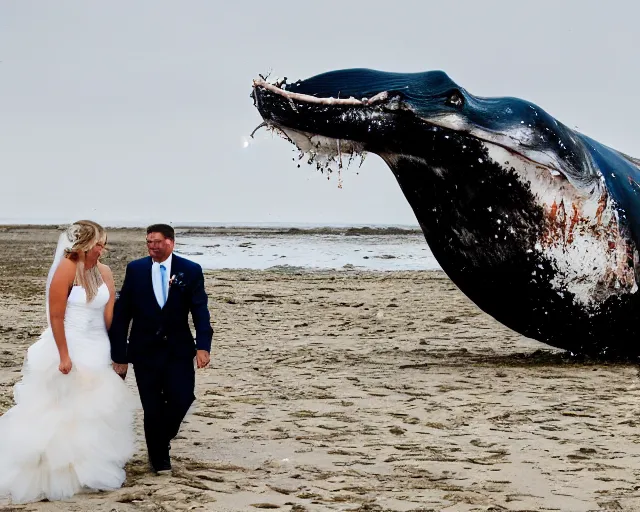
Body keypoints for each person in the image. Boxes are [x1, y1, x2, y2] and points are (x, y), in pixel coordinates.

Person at [0, 220, 136, 504]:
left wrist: (118, 351)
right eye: (99, 243)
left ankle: (90, 466)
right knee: (64, 408)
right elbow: (57, 316)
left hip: (98, 345)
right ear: (85, 243)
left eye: (104, 243)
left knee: (94, 409)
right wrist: (63, 354)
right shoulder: (66, 268)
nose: (103, 248)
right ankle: (59, 472)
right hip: (69, 344)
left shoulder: (105, 272)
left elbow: (110, 315)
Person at [109, 223, 213, 474]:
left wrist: (203, 346)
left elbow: (200, 310)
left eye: (157, 241)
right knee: (152, 406)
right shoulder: (136, 269)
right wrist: (119, 355)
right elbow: (123, 315)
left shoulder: (190, 270)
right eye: (149, 242)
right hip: (144, 351)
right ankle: (159, 459)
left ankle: (160, 439)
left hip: (179, 349)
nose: (153, 246)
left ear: (171, 242)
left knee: (183, 397)